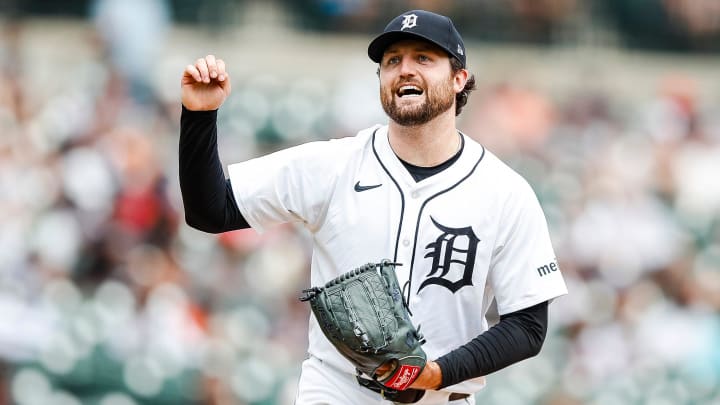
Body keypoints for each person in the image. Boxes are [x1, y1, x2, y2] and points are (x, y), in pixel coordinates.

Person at [179, 9, 568, 405]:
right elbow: (210, 211)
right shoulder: (334, 165)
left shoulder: (504, 192)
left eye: (423, 58)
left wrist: (437, 374)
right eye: (392, 61)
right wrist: (199, 115)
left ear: (458, 79)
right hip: (336, 390)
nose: (404, 69)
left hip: (443, 397)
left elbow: (528, 326)